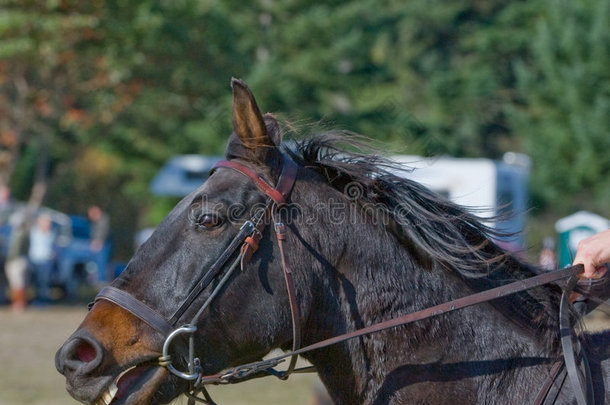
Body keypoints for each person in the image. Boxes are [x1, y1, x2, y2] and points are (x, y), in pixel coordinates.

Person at [4, 211, 31, 312]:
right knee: (17, 284)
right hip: (18, 260)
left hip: (17, 261)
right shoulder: (19, 233)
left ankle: (19, 304)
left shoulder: (20, 234)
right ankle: (18, 303)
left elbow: (16, 250)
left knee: (18, 284)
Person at [28, 214, 56, 303]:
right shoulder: (33, 232)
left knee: (44, 281)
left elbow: (55, 247)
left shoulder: (52, 233)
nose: (48, 224)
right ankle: (37, 298)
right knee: (36, 281)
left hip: (46, 260)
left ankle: (43, 299)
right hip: (34, 260)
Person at [87, 205, 110, 283]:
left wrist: (98, 241)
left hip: (102, 245)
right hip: (99, 245)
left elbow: (102, 232)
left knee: (101, 263)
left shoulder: (103, 219)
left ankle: (101, 281)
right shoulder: (96, 221)